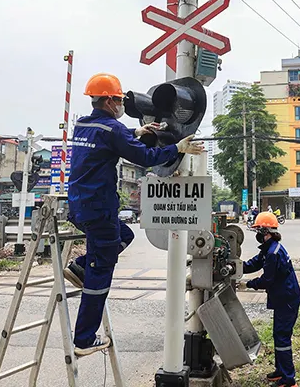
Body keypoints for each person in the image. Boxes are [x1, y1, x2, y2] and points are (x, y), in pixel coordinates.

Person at [63, 73, 204, 357]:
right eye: (117, 100)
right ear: (107, 100)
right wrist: (176, 148)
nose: (119, 105)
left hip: (78, 206)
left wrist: (136, 133)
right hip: (100, 209)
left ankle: (80, 265)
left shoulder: (83, 124)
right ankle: (83, 339)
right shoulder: (114, 130)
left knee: (124, 235)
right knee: (100, 274)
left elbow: (109, 137)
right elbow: (144, 158)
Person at [241, 212, 300, 387]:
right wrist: (237, 267)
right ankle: (281, 371)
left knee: (282, 337)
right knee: (278, 335)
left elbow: (267, 279)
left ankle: (288, 380)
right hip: (284, 298)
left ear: (265, 231)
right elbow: (255, 263)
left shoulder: (273, 253)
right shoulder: (271, 248)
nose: (257, 235)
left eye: (258, 231)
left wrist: (248, 284)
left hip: (287, 300)